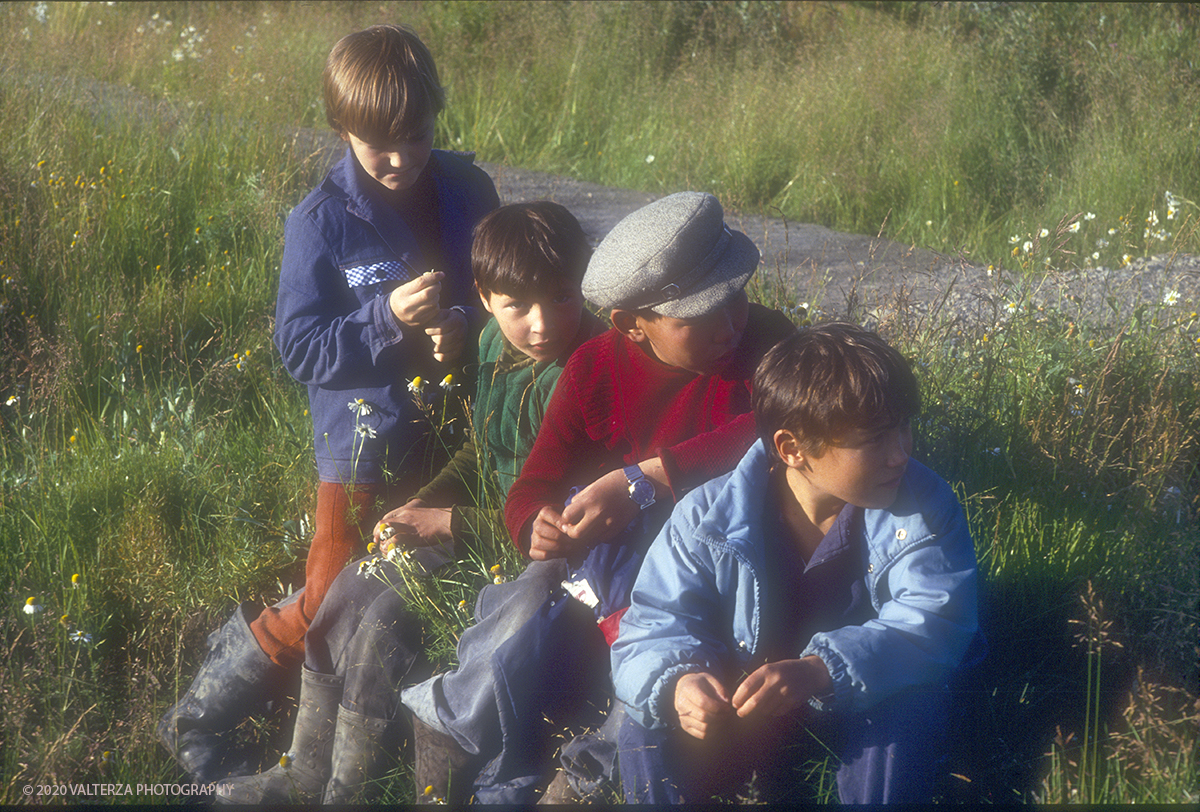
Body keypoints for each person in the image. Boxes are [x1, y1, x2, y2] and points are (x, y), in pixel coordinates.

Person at [158, 24, 498, 784]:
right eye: (380, 143)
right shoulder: (318, 221)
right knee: (331, 592)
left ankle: (360, 759)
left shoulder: (470, 191)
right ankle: (202, 719)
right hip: (362, 445)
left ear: (437, 117)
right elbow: (301, 349)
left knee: (410, 585)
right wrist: (388, 319)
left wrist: (461, 330)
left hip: (456, 433)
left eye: (415, 136)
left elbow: (493, 291)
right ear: (341, 129)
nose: (402, 158)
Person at [400, 191, 796, 804]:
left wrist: (648, 479)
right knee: (526, 593)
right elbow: (535, 483)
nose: (731, 323)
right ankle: (454, 734)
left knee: (662, 630)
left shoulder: (768, 346)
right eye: (699, 316)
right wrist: (536, 524)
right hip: (605, 562)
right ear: (630, 325)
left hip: (715, 563)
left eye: (734, 296)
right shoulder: (593, 369)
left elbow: (776, 428)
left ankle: (590, 773)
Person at [215, 201, 603, 803]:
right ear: (485, 296)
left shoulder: (590, 370)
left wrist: (446, 522)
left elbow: (566, 522)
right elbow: (481, 452)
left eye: (562, 296)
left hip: (540, 554)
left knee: (385, 624)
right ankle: (310, 773)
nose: (543, 323)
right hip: (484, 527)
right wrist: (420, 504)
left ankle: (355, 790)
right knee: (351, 587)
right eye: (517, 306)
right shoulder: (497, 352)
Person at [611, 322, 983, 803]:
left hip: (860, 700)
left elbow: (936, 621)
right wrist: (679, 686)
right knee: (639, 720)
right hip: (740, 705)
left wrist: (819, 671)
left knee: (909, 706)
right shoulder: (705, 516)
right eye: (873, 439)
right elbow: (654, 625)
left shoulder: (924, 504)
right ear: (792, 448)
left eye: (904, 426)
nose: (901, 453)